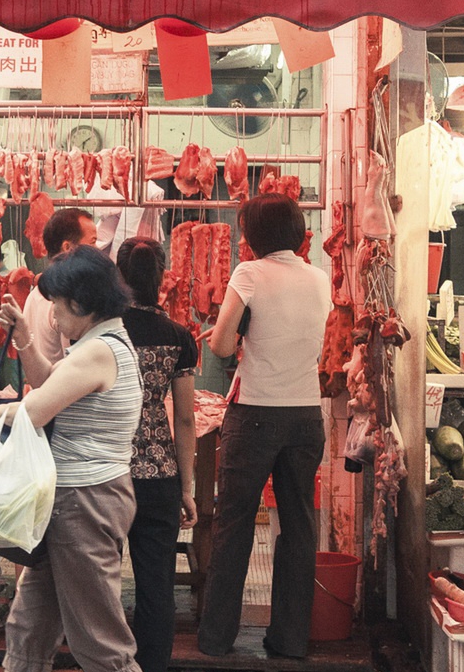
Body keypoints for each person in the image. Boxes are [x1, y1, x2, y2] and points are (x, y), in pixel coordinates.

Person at [0, 245, 143, 672]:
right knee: (30, 627)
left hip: (85, 501)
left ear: (79, 302)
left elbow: (36, 410)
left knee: (99, 642)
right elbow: (47, 384)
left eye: (56, 306)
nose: (53, 316)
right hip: (75, 498)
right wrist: (24, 338)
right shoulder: (97, 344)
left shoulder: (99, 351)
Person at [197, 195, 330, 659]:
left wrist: (235, 335)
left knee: (234, 526)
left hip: (255, 414)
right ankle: (290, 640)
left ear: (255, 237)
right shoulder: (320, 278)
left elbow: (219, 344)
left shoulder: (249, 273)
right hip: (306, 417)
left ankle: (216, 640)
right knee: (298, 528)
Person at [115, 237, 200, 672]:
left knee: (101, 583)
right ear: (161, 279)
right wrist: (188, 488)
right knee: (156, 586)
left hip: (108, 473)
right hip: (160, 476)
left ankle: (106, 662)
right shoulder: (179, 338)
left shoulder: (104, 332)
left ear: (118, 278)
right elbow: (185, 421)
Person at [19, 208, 99, 364]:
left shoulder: (34, 295)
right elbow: (76, 365)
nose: (97, 250)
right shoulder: (66, 299)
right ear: (68, 247)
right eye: (93, 242)